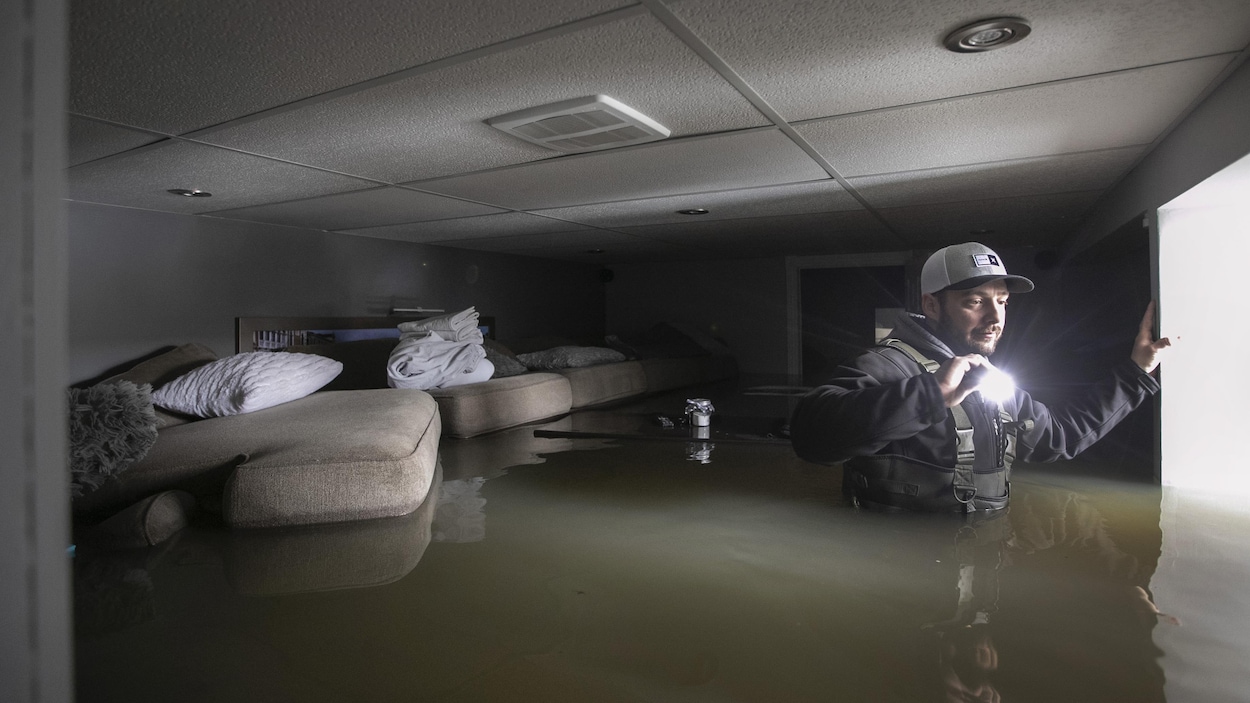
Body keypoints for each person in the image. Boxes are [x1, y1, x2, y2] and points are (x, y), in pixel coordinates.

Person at [790, 242, 1171, 512]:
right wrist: (930, 395)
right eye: (975, 301)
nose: (995, 317)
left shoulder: (988, 377)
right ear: (932, 305)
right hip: (901, 584)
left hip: (982, 569)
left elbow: (1057, 438)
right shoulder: (889, 365)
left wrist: (1136, 372)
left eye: (1002, 301)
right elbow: (810, 435)